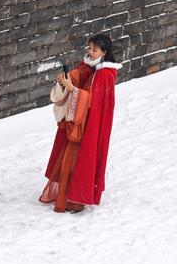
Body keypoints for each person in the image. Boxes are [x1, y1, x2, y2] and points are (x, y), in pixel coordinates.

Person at [39, 33, 119, 213]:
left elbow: (93, 101)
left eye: (95, 49)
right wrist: (68, 79)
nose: (90, 52)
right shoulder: (90, 66)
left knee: (78, 159)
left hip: (89, 125)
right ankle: (68, 193)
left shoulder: (106, 74)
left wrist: (72, 88)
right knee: (69, 157)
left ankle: (75, 199)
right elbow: (80, 74)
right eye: (89, 48)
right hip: (79, 120)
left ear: (104, 52)